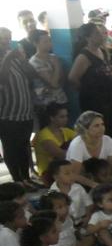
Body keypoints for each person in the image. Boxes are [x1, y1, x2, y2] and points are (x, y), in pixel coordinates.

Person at [0, 28, 40, 187]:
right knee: (11, 148)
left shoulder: (15, 56)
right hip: (7, 114)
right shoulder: (7, 58)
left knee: (24, 147)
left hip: (25, 112)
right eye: (3, 38)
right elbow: (1, 79)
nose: (6, 41)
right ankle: (17, 181)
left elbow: (32, 74)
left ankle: (26, 178)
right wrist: (8, 58)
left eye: (8, 38)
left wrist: (23, 59)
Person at [68, 23, 112, 138]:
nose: (101, 35)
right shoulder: (84, 56)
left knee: (110, 130)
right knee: (98, 133)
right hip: (95, 102)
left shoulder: (102, 51)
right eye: (97, 33)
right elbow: (73, 78)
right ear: (88, 37)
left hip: (109, 100)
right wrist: (88, 89)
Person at [66, 110, 112, 189]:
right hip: (81, 184)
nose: (101, 128)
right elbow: (74, 175)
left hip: (103, 181)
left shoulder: (107, 140)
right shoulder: (77, 145)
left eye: (102, 124)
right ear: (85, 129)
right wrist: (95, 185)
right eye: (96, 126)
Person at [27, 29, 66, 121]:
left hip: (60, 99)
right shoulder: (35, 62)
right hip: (46, 104)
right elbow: (54, 84)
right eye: (45, 41)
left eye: (49, 40)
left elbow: (62, 80)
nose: (49, 43)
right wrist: (56, 65)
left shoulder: (53, 57)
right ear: (36, 43)